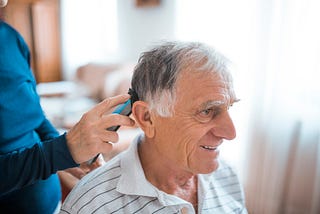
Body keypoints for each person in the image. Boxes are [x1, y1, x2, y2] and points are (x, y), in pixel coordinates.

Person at [60, 41, 247, 213]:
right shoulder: (91, 205)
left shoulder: (226, 175)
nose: (231, 133)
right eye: (206, 111)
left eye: (228, 107)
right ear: (147, 118)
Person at [0, 1, 135, 213]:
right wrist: (61, 151)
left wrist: (64, 151)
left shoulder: (10, 38)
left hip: (50, 203)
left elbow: (35, 116)